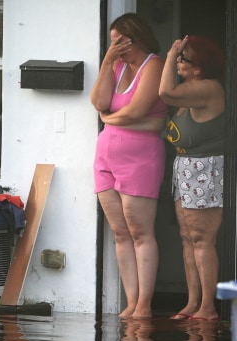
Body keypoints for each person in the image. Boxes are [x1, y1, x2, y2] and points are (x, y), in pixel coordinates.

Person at [90, 13, 169, 319]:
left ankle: (145, 305)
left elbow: (136, 111)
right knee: (119, 233)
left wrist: (109, 119)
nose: (115, 47)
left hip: (140, 159)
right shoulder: (117, 64)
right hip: (106, 158)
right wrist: (107, 62)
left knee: (140, 231)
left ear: (133, 38)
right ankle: (131, 302)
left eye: (118, 42)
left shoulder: (155, 64)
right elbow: (98, 101)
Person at [159, 35, 226, 321]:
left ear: (198, 67)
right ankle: (192, 303)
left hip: (204, 168)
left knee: (202, 238)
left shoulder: (208, 89)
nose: (177, 61)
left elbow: (165, 93)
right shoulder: (190, 90)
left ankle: (208, 307)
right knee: (187, 238)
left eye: (182, 58)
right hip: (184, 168)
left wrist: (168, 53)